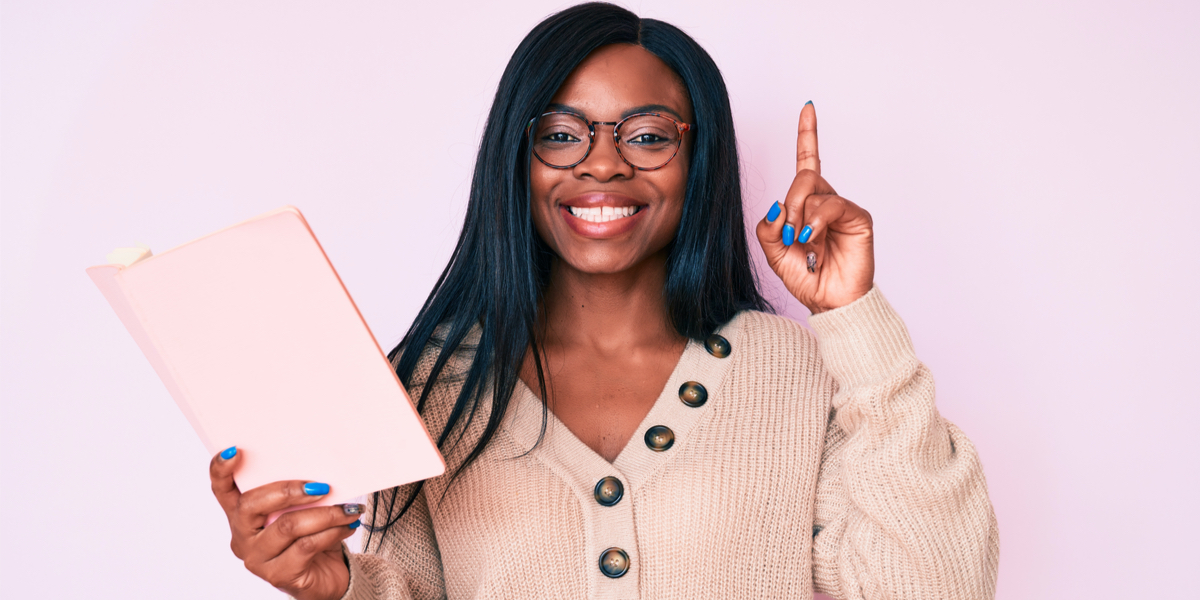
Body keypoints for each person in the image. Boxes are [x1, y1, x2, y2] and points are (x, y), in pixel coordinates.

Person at [207, 3, 999, 599]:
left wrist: (852, 317)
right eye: (561, 133)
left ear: (700, 159)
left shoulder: (795, 373)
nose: (603, 165)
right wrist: (332, 585)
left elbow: (934, 584)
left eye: (649, 136)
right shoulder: (429, 385)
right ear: (517, 157)